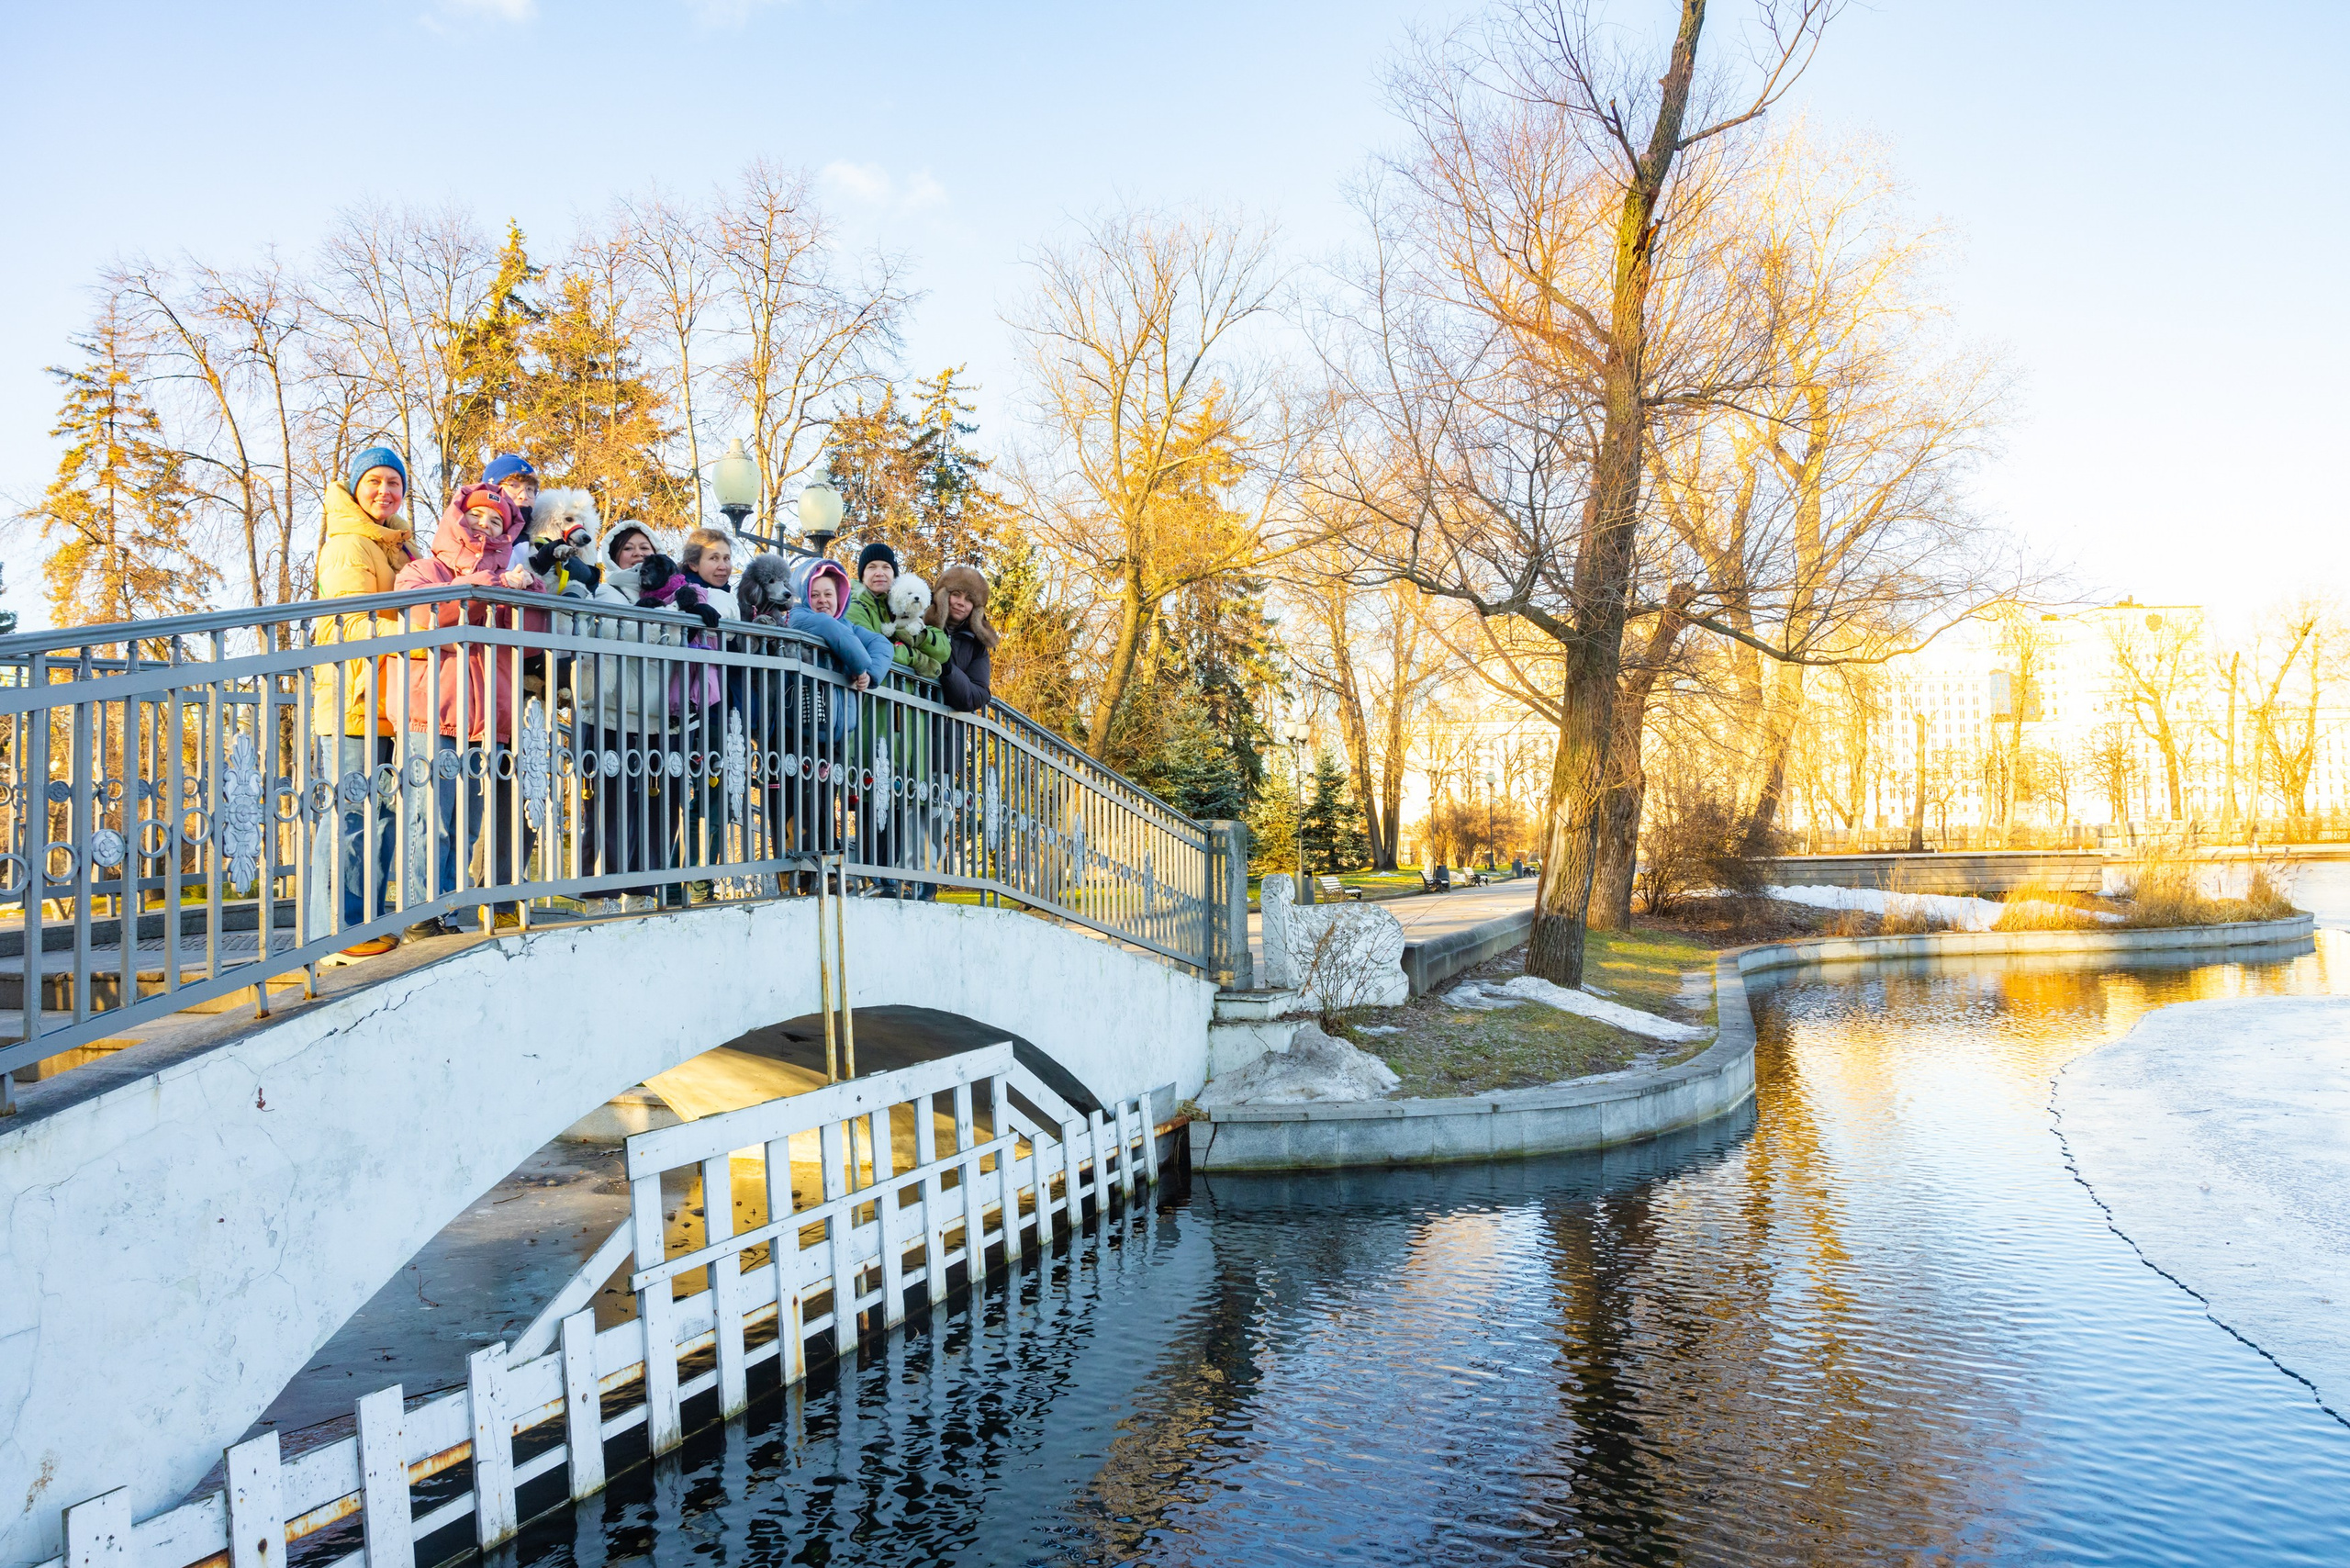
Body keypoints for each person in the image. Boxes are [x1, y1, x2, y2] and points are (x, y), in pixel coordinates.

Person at [394, 484, 548, 934]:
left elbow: (536, 635)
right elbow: (426, 614)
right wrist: (491, 585)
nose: (485, 525)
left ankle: (444, 909)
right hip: (434, 713)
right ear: (456, 520)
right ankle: (420, 914)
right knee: (431, 820)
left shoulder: (509, 577)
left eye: (497, 520)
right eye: (478, 516)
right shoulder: (421, 570)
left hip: (487, 721)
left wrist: (531, 591)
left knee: (465, 825)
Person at [308, 445, 418, 958]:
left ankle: (366, 921)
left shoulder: (396, 544)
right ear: (355, 488)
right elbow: (357, 623)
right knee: (350, 812)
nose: (384, 491)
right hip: (352, 695)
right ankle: (336, 930)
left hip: (385, 699)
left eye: (393, 483)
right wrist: (432, 636)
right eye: (374, 481)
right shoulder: (350, 545)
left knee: (377, 813)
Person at [845, 543, 950, 896]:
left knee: (898, 798)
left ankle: (894, 879)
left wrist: (916, 640)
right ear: (862, 574)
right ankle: (877, 877)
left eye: (886, 568)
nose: (879, 573)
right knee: (873, 794)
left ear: (895, 575)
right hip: (873, 717)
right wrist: (923, 662)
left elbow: (943, 649)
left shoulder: (901, 604)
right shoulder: (856, 605)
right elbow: (877, 650)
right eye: (872, 566)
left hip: (903, 723)